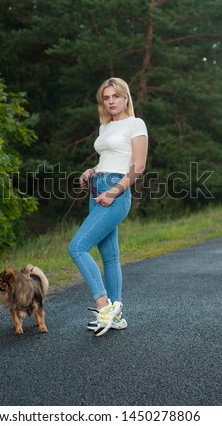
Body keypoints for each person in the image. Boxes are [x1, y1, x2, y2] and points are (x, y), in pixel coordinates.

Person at [69, 77, 148, 337]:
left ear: (126, 97)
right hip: (98, 185)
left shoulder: (136, 124)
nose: (111, 101)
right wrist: (91, 170)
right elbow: (108, 158)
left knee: (77, 247)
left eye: (116, 96)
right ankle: (117, 316)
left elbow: (138, 165)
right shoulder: (105, 126)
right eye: (106, 97)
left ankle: (103, 307)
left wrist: (114, 192)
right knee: (110, 256)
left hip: (116, 190)